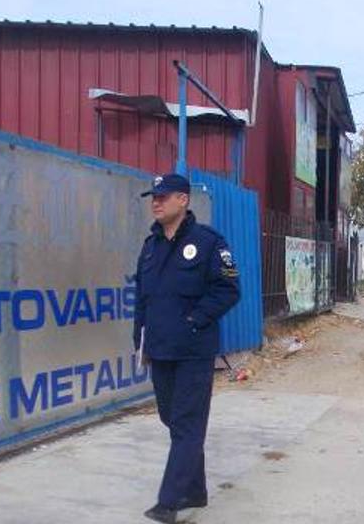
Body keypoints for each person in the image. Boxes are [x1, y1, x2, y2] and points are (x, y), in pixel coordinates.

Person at [134, 174, 241, 524]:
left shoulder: (209, 242)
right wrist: (139, 339)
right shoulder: (150, 246)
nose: (156, 202)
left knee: (186, 423)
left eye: (163, 196)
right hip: (160, 349)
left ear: (183, 200)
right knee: (172, 419)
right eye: (154, 196)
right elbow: (142, 299)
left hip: (194, 350)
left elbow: (228, 290)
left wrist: (195, 320)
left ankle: (170, 500)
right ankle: (196, 490)